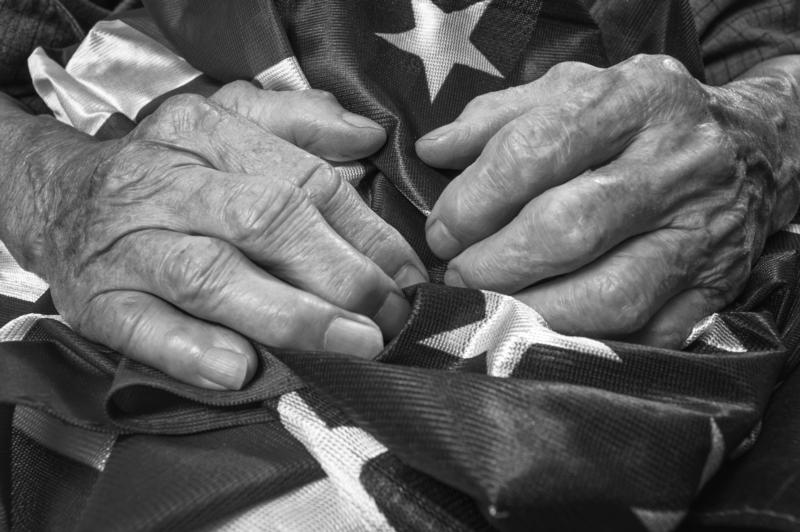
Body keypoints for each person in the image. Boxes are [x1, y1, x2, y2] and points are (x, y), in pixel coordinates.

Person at [1, 0, 799, 394]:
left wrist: (763, 127)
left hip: (686, 290)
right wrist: (49, 185)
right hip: (138, 237)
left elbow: (768, 34)